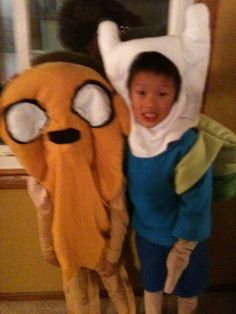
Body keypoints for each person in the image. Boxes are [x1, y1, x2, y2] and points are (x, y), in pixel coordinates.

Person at [125, 51, 213, 314]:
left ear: (176, 98)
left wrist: (185, 243)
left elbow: (198, 199)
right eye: (141, 93)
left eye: (162, 94)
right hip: (147, 232)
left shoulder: (186, 142)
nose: (150, 103)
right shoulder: (131, 136)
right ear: (129, 94)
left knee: (187, 286)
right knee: (152, 282)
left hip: (184, 237)